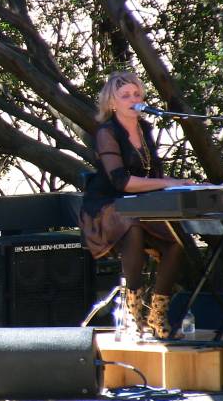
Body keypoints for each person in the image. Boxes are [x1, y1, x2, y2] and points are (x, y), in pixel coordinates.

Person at [79, 71, 193, 339]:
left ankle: (157, 315)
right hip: (106, 206)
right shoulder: (107, 132)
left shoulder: (146, 129)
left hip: (139, 205)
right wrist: (167, 184)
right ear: (112, 103)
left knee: (176, 243)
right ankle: (133, 316)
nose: (133, 100)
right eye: (126, 95)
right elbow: (121, 182)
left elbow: (153, 175)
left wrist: (182, 184)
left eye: (137, 94)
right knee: (132, 228)